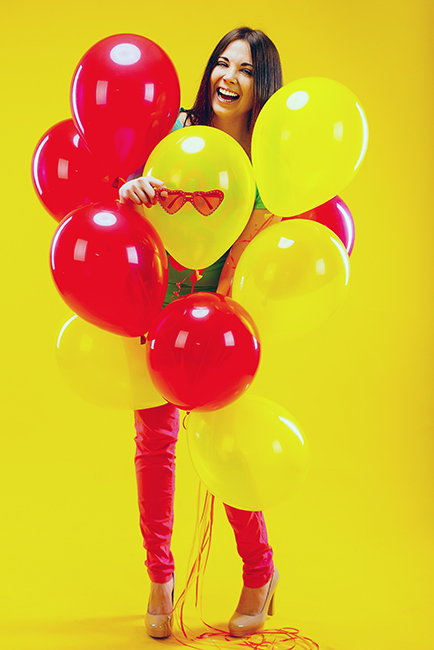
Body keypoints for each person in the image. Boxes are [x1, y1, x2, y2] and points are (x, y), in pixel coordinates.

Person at [119, 26, 283, 639]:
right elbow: (133, 211)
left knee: (227, 448)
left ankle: (260, 572)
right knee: (154, 445)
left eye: (246, 69)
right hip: (157, 314)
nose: (229, 77)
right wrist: (131, 190)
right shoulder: (175, 132)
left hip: (221, 326)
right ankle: (159, 581)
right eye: (222, 63)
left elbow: (261, 259)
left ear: (262, 85)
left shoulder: (267, 165)